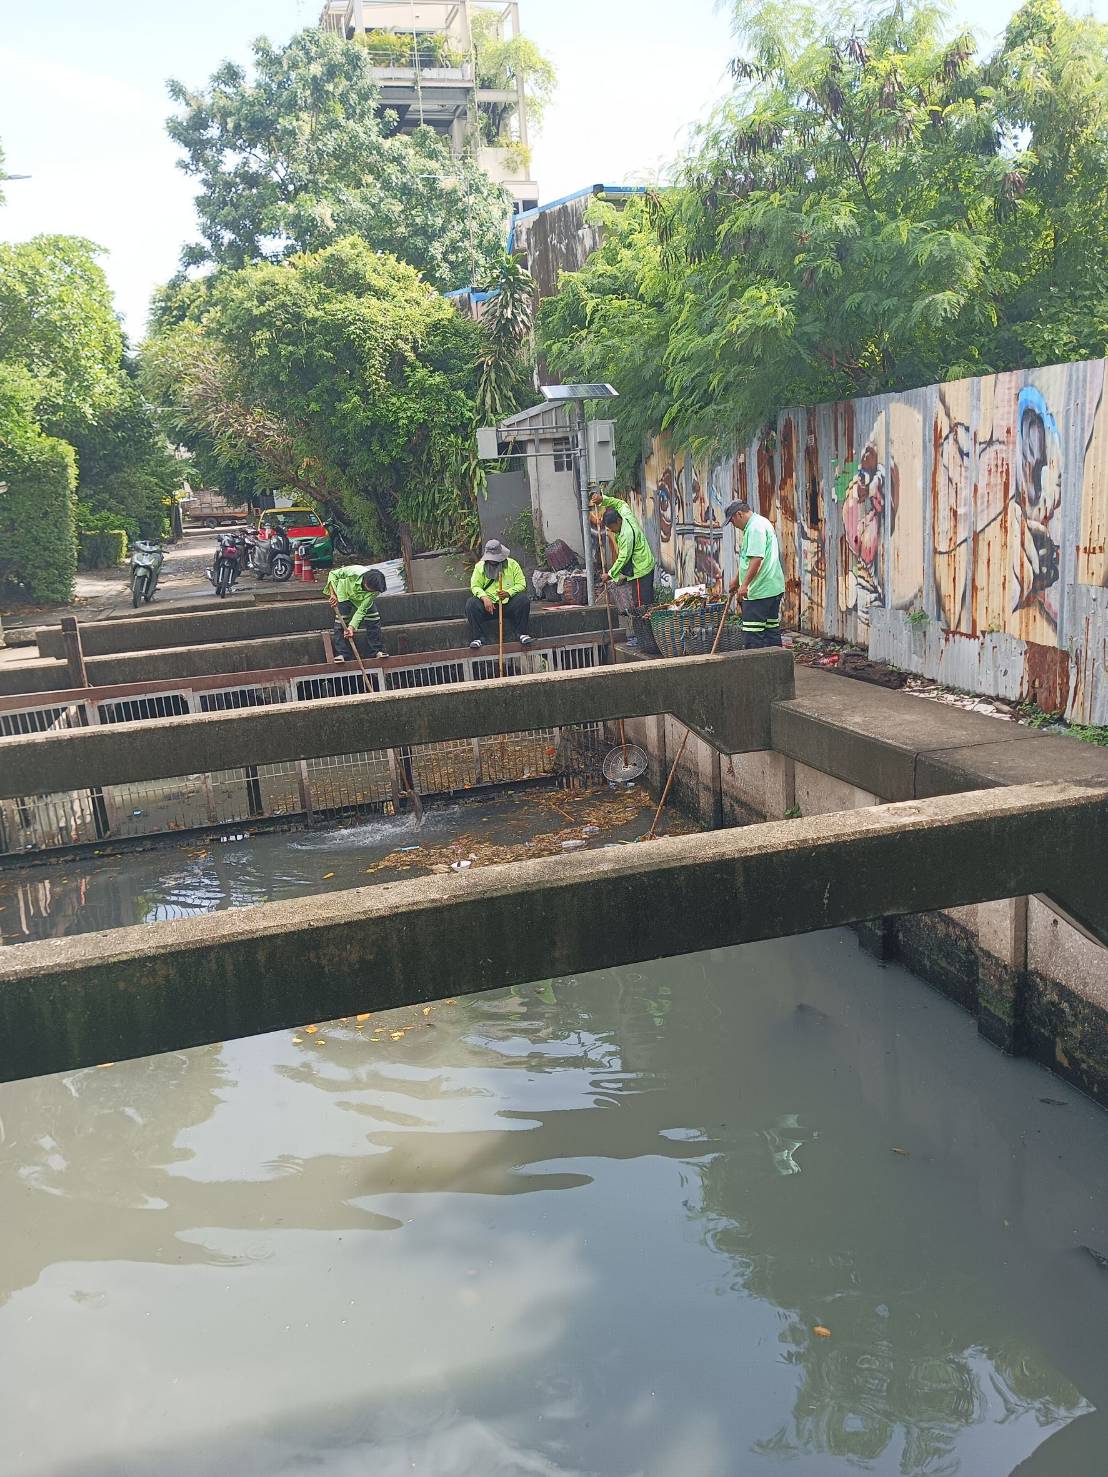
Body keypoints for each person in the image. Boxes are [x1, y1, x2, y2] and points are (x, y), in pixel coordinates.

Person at [724, 499, 785, 648]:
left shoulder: (755, 528)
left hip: (759, 591)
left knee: (753, 634)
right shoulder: (760, 523)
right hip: (772, 588)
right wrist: (736, 580)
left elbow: (756, 559)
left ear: (739, 514)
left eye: (732, 521)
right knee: (771, 632)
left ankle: (756, 663)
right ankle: (777, 662)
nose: (733, 525)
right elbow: (748, 558)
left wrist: (744, 585)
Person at [590, 493, 656, 606]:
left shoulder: (627, 535)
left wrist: (610, 574)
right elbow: (619, 503)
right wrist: (602, 500)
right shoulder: (625, 515)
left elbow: (623, 558)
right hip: (644, 564)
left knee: (642, 605)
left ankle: (643, 617)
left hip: (640, 569)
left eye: (612, 528)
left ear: (618, 521)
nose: (611, 530)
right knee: (643, 600)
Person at [467, 539, 531, 649]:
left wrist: (508, 593)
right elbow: (475, 586)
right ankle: (478, 638)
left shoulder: (512, 564)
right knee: (471, 604)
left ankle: (522, 633)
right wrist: (484, 597)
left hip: (507, 605)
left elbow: (521, 584)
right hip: (489, 607)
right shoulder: (479, 567)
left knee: (523, 600)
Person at [324, 564, 388, 660]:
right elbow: (333, 574)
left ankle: (376, 650)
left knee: (374, 618)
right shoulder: (354, 571)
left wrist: (352, 627)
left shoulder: (375, 591)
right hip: (345, 593)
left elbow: (362, 610)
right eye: (371, 590)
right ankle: (342, 653)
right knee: (341, 621)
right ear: (366, 583)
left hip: (362, 599)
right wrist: (333, 594)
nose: (373, 592)